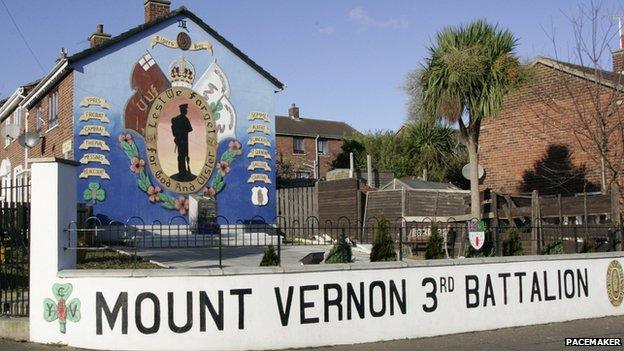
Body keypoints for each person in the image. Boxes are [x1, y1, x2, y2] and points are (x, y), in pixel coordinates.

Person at [171, 103, 195, 181]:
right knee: (184, 156)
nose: (186, 111)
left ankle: (182, 172)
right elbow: (190, 129)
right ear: (183, 110)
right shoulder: (185, 119)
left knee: (180, 157)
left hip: (179, 141)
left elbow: (174, 131)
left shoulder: (176, 119)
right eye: (185, 110)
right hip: (184, 141)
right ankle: (183, 173)